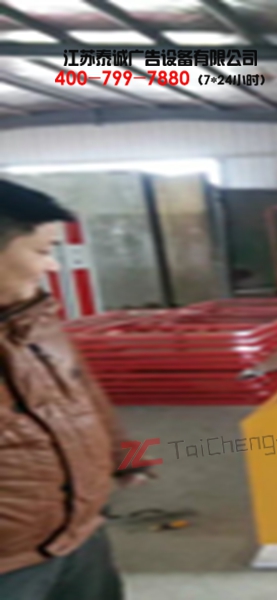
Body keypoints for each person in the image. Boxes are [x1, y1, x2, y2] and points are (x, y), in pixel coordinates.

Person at [0, 180, 149, 600]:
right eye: (42, 252)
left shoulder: (32, 320)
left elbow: (80, 392)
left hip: (78, 533)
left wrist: (122, 455)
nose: (52, 268)